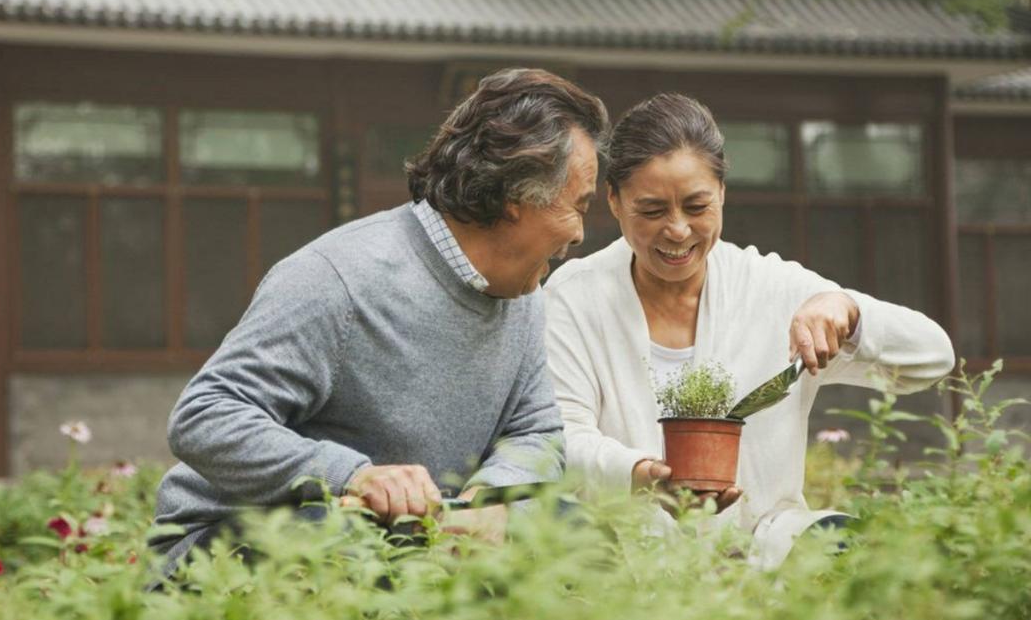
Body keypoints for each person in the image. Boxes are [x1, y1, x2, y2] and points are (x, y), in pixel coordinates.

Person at [151, 68, 609, 573]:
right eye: (578, 206)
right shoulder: (339, 278)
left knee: (582, 537)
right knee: (362, 543)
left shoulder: (523, 296)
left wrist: (493, 499)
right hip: (236, 540)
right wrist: (354, 476)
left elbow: (536, 430)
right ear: (515, 198)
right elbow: (205, 416)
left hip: (416, 536)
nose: (580, 234)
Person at [544, 93, 955, 569]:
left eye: (697, 206)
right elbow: (560, 438)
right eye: (652, 211)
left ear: (721, 193)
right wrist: (642, 475)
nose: (678, 230)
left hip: (764, 549)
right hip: (625, 549)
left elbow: (934, 357)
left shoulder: (773, 290)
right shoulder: (576, 296)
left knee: (851, 546)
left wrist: (848, 310)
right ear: (613, 201)